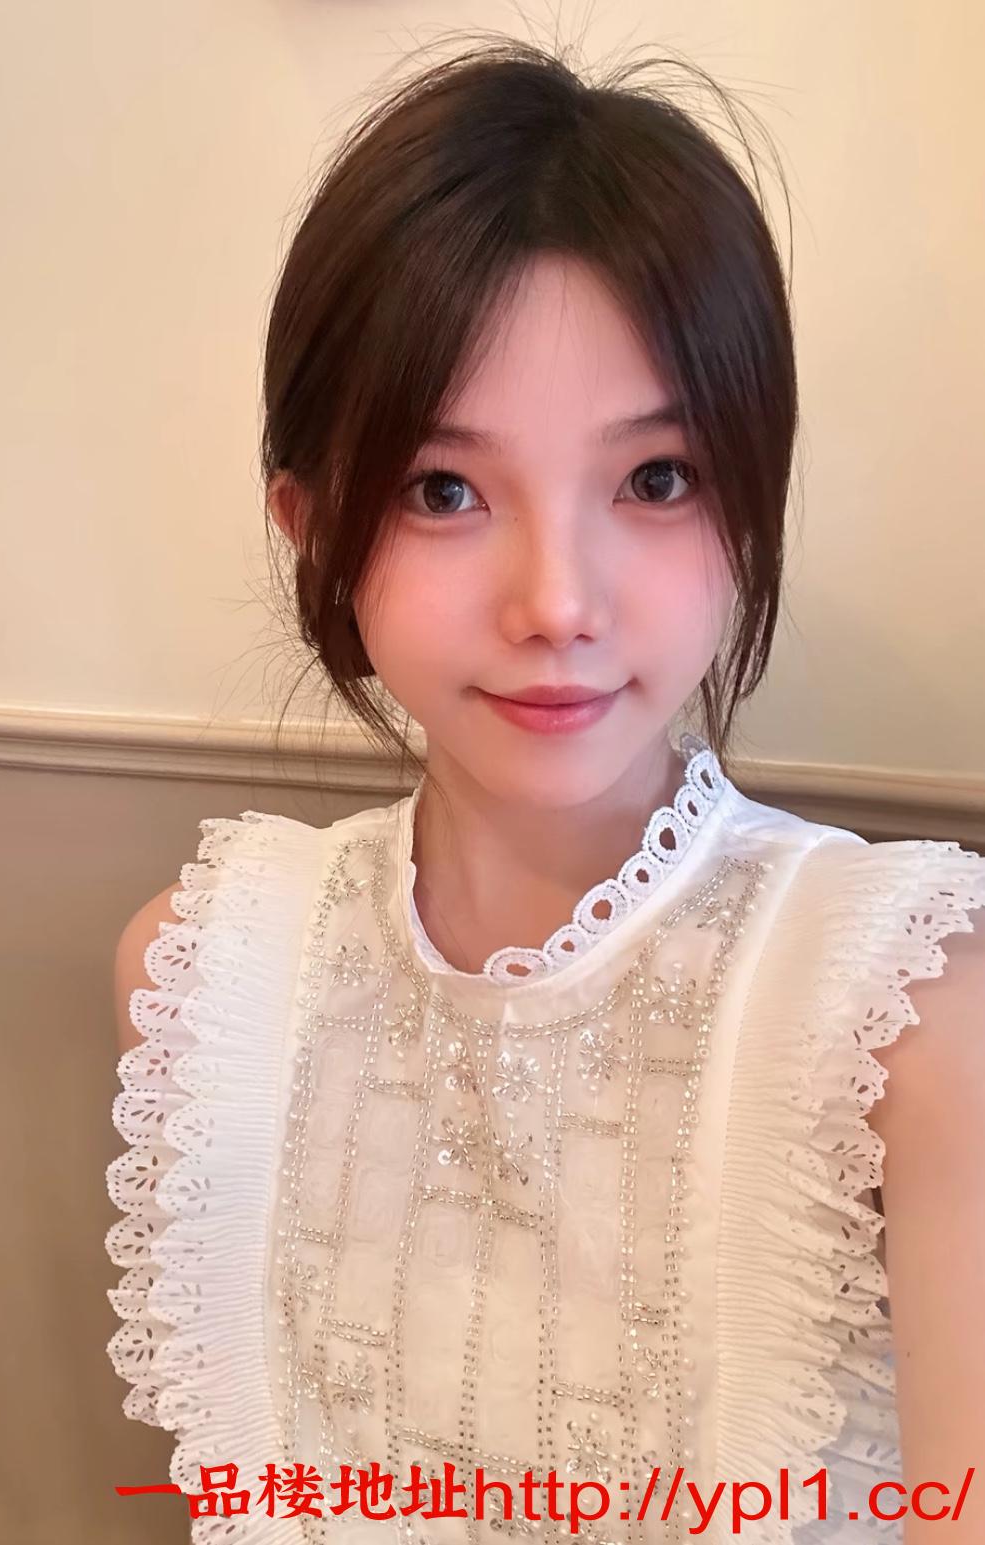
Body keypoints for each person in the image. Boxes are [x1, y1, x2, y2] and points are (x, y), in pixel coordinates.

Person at [104, 36, 985, 1544]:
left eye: (656, 479)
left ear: (750, 500)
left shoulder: (905, 1011)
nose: (557, 601)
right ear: (310, 526)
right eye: (442, 490)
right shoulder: (207, 978)